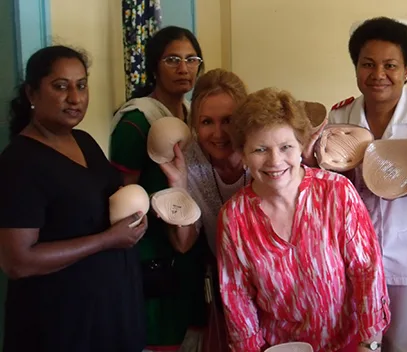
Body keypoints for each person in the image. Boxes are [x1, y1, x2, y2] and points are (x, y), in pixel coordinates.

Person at [217, 88, 389, 352]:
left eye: (286, 147)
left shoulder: (336, 193)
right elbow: (236, 297)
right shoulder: (235, 217)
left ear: (301, 147)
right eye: (260, 149)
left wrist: (371, 342)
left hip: (350, 345)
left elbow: (367, 271)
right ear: (243, 154)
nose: (275, 161)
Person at [0, 45, 147, 352]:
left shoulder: (84, 142)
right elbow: (18, 261)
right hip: (61, 323)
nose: (75, 98)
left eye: (81, 85)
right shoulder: (20, 162)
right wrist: (108, 240)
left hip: (109, 313)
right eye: (60, 86)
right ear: (31, 93)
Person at [327, 17, 407, 352]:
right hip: (352, 255)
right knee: (358, 342)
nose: (378, 75)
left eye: (390, 65)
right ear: (356, 68)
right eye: (368, 64)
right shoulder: (339, 118)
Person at [109, 26, 208, 351]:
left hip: (192, 245)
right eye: (172, 60)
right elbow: (125, 200)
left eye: (192, 59)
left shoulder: (196, 117)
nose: (184, 68)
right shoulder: (136, 122)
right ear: (154, 67)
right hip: (154, 258)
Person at [157, 68, 250, 352]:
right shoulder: (189, 160)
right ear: (194, 123)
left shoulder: (261, 150)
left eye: (229, 121)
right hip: (225, 287)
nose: (219, 133)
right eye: (207, 121)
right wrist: (179, 185)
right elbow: (183, 243)